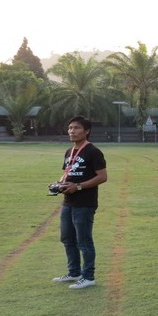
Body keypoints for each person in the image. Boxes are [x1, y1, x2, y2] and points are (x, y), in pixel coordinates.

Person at [51, 116, 108, 289]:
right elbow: (68, 173)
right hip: (68, 202)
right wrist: (59, 184)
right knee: (67, 239)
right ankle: (74, 272)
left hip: (85, 203)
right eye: (70, 128)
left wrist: (78, 186)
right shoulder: (69, 151)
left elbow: (102, 177)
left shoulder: (93, 152)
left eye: (76, 128)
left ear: (87, 131)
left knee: (84, 241)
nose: (72, 131)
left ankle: (88, 277)